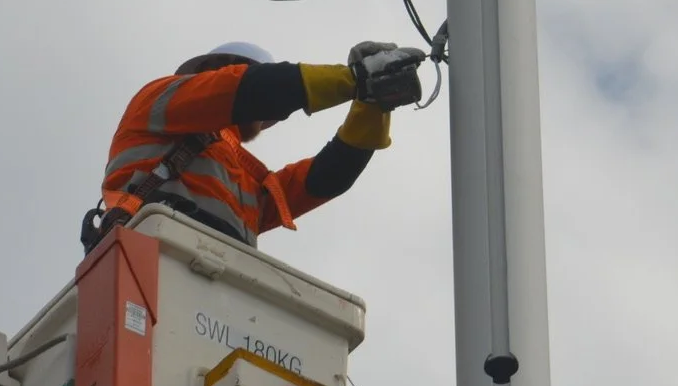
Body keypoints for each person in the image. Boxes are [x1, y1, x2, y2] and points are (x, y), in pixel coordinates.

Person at [83, 39, 424, 250]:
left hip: (217, 284)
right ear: (212, 72)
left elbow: (326, 178)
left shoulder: (242, 180)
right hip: (146, 253)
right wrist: (355, 78)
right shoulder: (159, 103)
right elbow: (247, 90)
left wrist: (372, 104)